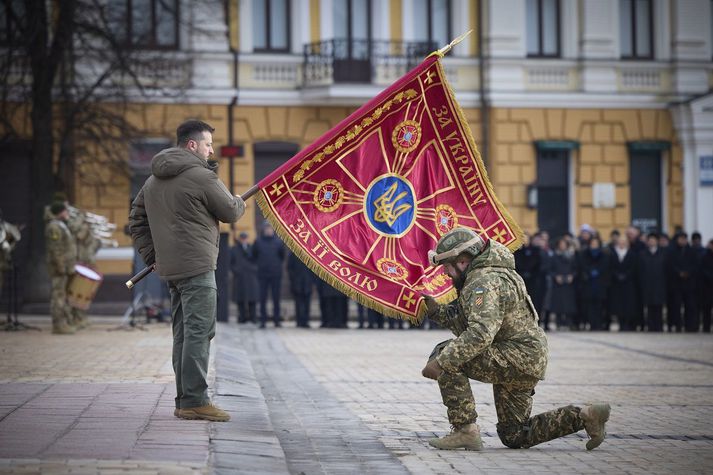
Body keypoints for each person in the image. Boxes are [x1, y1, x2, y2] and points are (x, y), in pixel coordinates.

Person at [421, 227, 610, 451]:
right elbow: (470, 323)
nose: (445, 273)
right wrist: (436, 312)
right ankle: (585, 416)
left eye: (447, 267)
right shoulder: (495, 273)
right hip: (526, 357)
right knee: (514, 434)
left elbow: (480, 333)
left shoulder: (483, 282)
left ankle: (465, 429)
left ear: (462, 261)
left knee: (445, 353)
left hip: (516, 356)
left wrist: (442, 363)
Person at [129, 119, 245, 422]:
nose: (211, 150)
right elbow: (231, 211)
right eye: (207, 144)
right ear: (192, 145)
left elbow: (136, 220)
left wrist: (152, 255)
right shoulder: (200, 176)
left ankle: (185, 399)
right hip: (197, 266)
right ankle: (194, 400)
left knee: (182, 333)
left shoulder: (153, 179)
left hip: (171, 269)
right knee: (199, 332)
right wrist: (239, 202)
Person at [45, 202, 78, 335]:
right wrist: (61, 267)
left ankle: (63, 322)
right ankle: (58, 325)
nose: (67, 213)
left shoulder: (61, 225)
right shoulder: (54, 227)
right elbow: (55, 249)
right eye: (65, 211)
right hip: (60, 269)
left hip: (65, 267)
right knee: (58, 296)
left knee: (62, 296)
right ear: (60, 212)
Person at [252, 222, 285, 328]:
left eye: (270, 228)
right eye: (267, 228)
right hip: (262, 274)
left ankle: (276, 320)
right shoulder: (258, 242)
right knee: (262, 298)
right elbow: (254, 255)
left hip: (276, 274)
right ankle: (263, 320)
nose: (269, 230)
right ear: (263, 230)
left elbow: (282, 256)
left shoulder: (279, 242)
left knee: (276, 298)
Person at [666, 232, 698, 332]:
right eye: (681, 238)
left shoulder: (691, 251)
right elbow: (670, 265)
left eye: (684, 239)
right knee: (676, 306)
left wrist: (687, 273)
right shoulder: (672, 251)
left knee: (690, 306)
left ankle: (689, 326)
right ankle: (678, 326)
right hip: (676, 284)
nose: (682, 241)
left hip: (689, 284)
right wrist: (679, 273)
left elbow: (695, 265)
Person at [578, 236, 610, 331]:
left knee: (599, 305)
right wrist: (590, 271)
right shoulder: (584, 254)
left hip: (600, 283)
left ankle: (598, 324)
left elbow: (606, 267)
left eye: (596, 243)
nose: (594, 245)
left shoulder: (604, 254)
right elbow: (583, 266)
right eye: (592, 243)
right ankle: (591, 324)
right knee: (589, 305)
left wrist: (598, 271)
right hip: (588, 283)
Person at [608, 235, 639, 331]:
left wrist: (626, 275)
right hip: (616, 283)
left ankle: (627, 324)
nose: (622, 244)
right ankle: (620, 323)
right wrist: (617, 275)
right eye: (620, 242)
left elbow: (634, 268)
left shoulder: (632, 254)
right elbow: (610, 267)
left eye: (624, 242)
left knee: (628, 304)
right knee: (618, 305)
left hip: (628, 283)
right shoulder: (613, 254)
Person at [638, 233, 667, 332]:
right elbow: (640, 271)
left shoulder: (663, 253)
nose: (651, 242)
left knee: (658, 307)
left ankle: (659, 326)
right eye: (650, 240)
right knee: (649, 306)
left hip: (660, 284)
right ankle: (650, 326)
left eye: (653, 240)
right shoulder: (642, 254)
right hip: (647, 284)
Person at [230, 231, 258, 324]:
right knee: (240, 298)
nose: (244, 240)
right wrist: (236, 271)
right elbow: (231, 263)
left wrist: (254, 269)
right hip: (240, 278)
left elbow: (256, 259)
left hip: (251, 277)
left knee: (252, 298)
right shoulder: (234, 249)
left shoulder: (252, 248)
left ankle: (253, 317)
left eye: (245, 238)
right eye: (242, 238)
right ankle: (241, 317)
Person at [287, 251, 314, 328]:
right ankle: (299, 321)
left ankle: (306, 321)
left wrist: (312, 280)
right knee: (298, 303)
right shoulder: (294, 253)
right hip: (297, 283)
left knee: (307, 303)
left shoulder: (310, 253)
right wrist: (293, 279)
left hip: (308, 282)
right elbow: (289, 267)